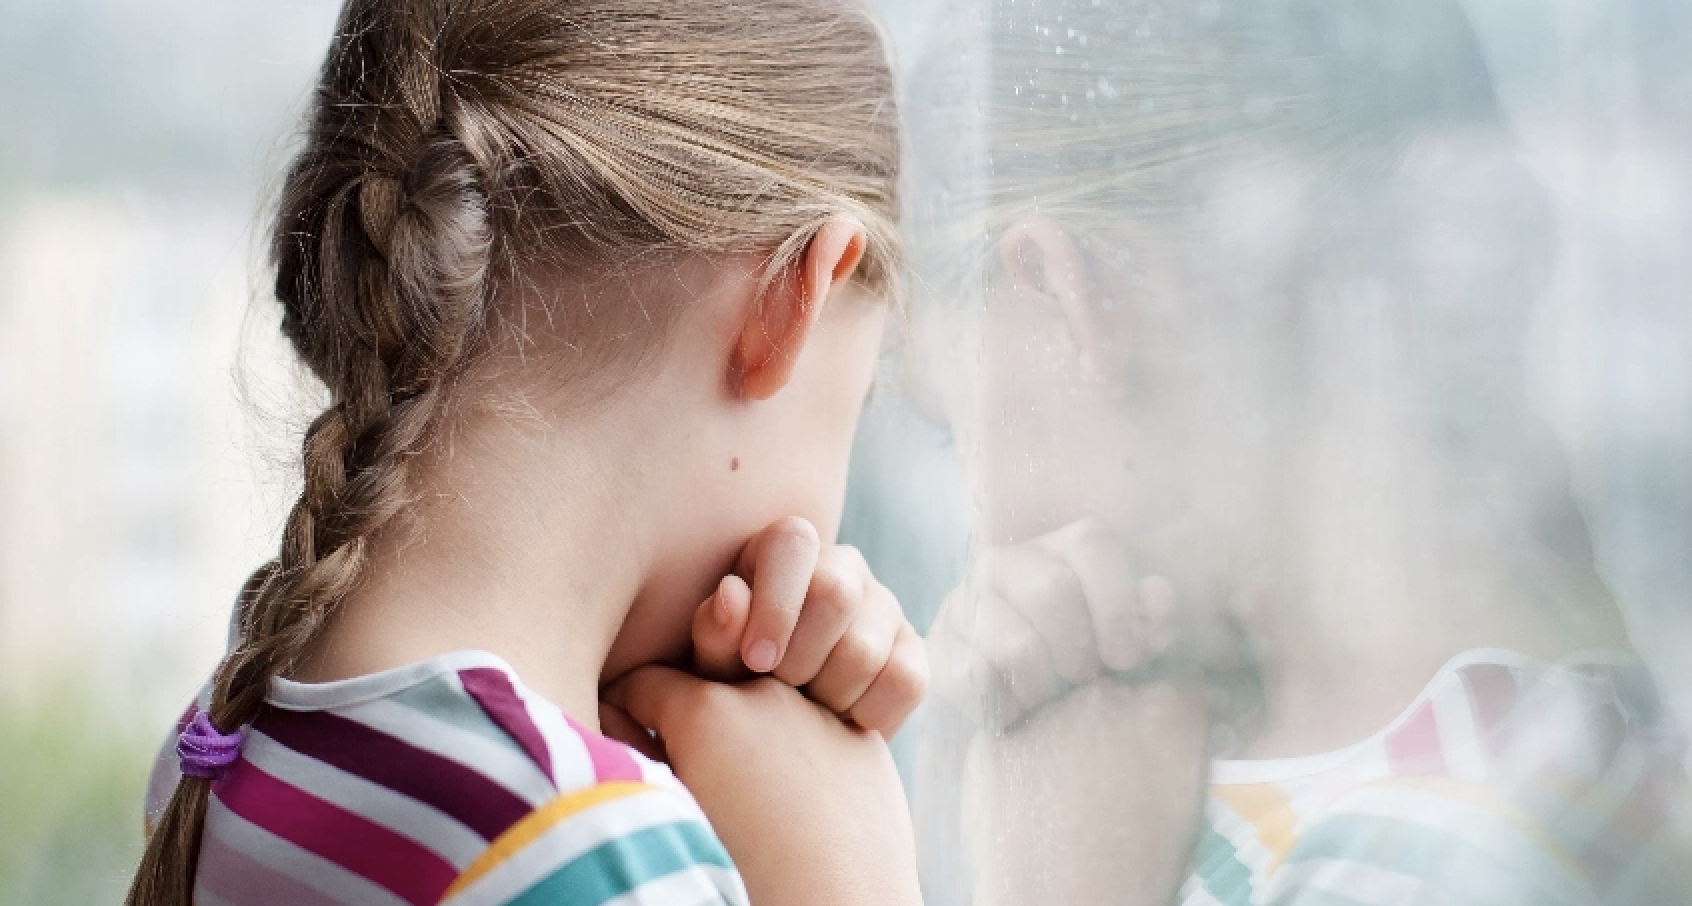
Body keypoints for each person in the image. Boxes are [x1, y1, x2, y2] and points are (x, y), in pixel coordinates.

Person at [127, 1, 929, 905]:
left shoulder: (235, 724)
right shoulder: (593, 855)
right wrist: (843, 871)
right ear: (788, 303)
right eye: (859, 400)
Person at [903, 0, 1692, 903]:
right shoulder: (1537, 754)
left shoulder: (1426, 862)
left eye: (956, 436)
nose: (982, 521)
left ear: (1067, 297)